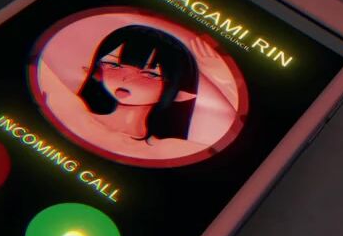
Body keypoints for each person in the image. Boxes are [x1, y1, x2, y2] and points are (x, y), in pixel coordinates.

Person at [36, 23, 239, 161]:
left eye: (150, 74)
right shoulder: (72, 111)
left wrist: (223, 77)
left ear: (178, 93)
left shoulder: (169, 150)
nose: (126, 79)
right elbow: (34, 59)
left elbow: (239, 152)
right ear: (97, 72)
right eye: (114, 65)